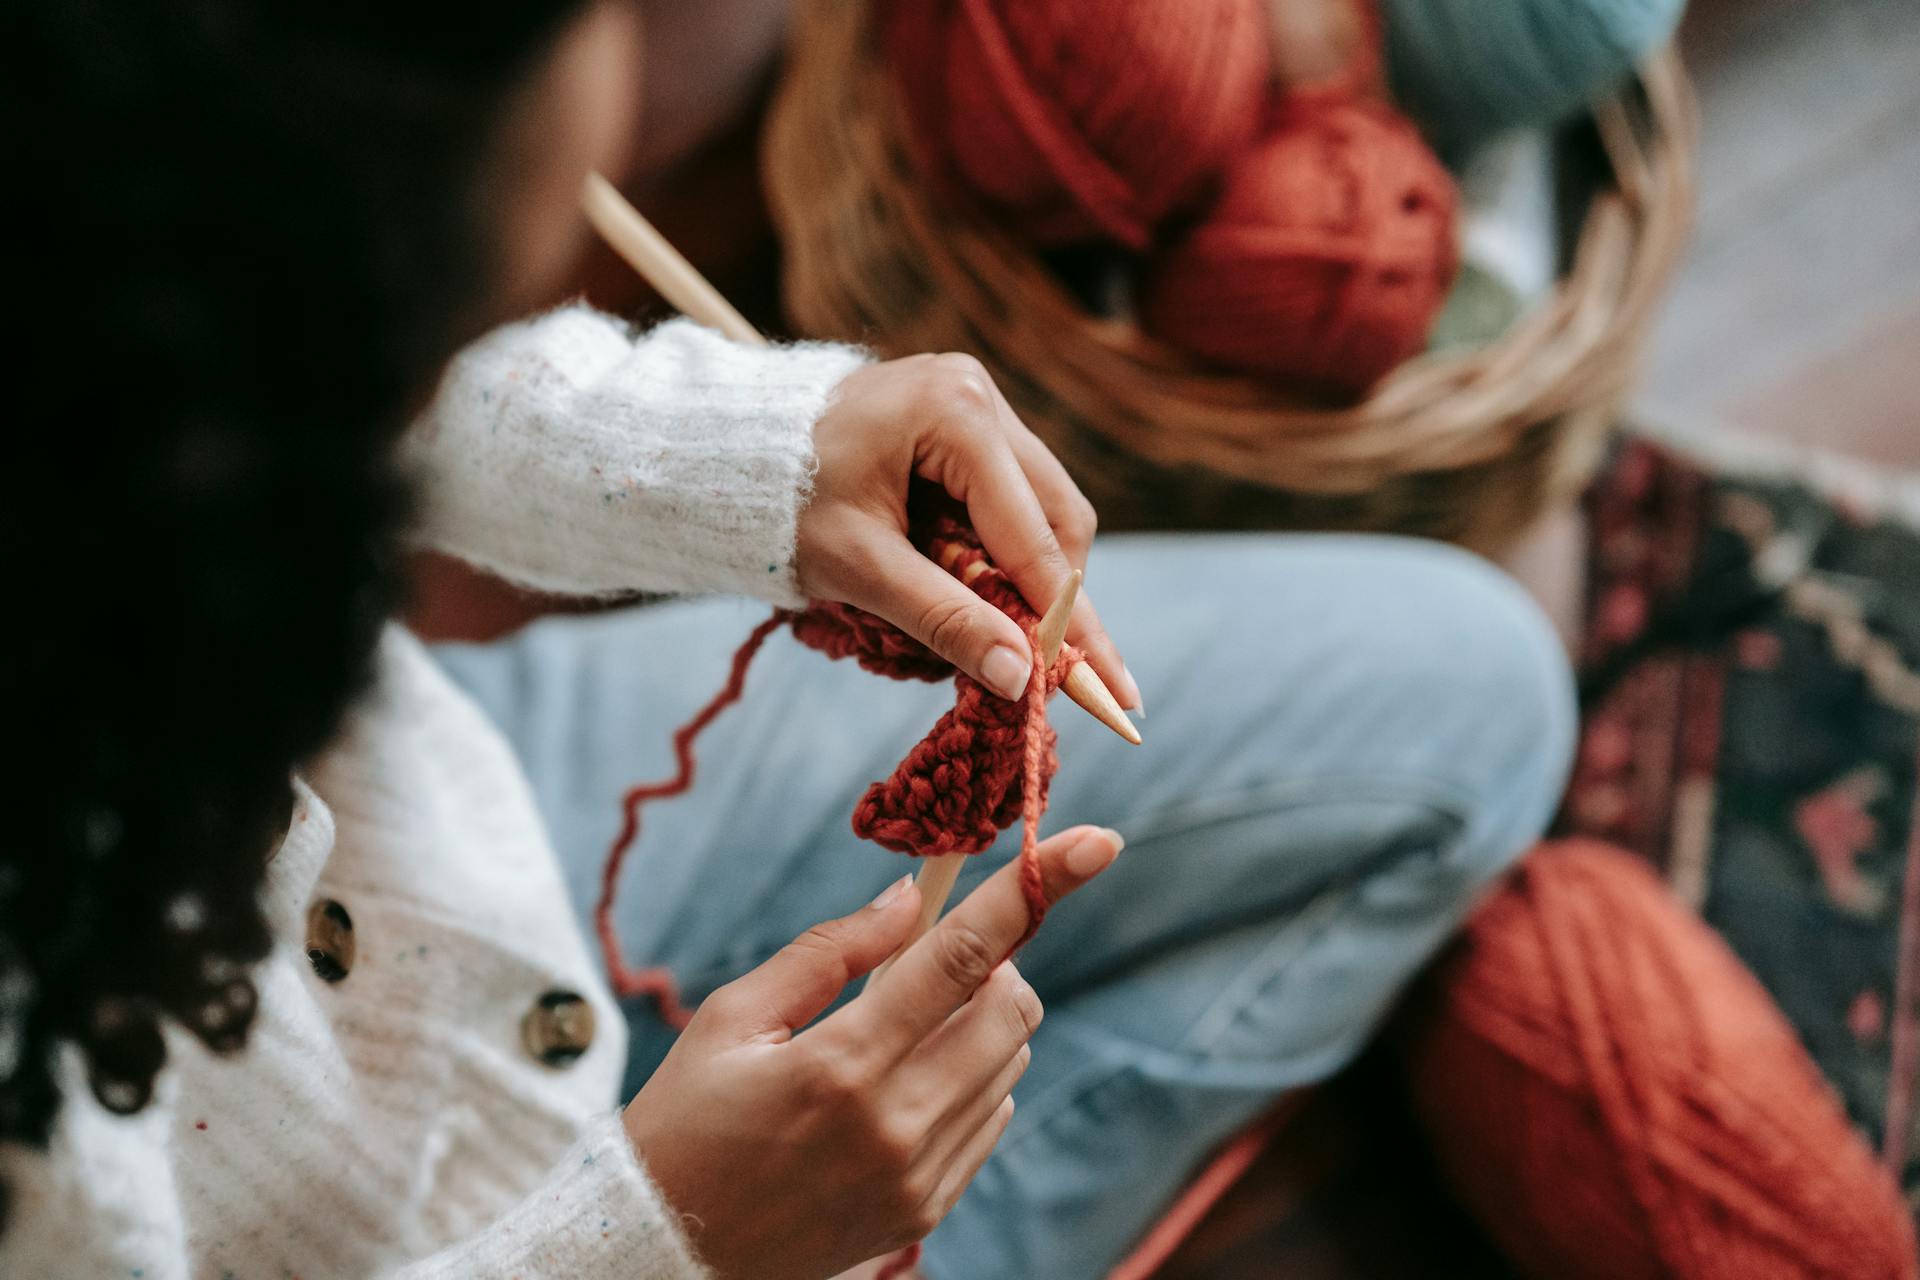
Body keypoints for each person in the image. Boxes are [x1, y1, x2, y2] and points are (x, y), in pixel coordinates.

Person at [6, 2, 1575, 1277]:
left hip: (449, 851)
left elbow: (292, 346)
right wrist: (667, 1239)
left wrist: (766, 456)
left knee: (1476, 696)